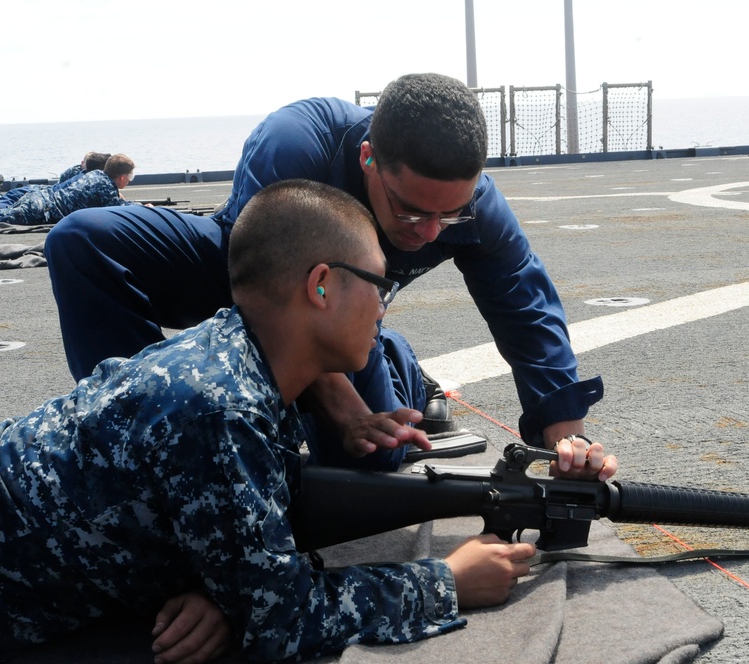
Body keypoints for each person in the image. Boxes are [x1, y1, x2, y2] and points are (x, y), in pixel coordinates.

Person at [0, 179, 537, 662]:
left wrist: (228, 591)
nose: (383, 307)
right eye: (379, 285)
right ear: (322, 287)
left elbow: (242, 541)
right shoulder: (220, 406)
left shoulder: (231, 355)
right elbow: (280, 622)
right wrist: (446, 581)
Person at [45, 72, 616, 480]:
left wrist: (565, 437)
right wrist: (346, 409)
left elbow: (526, 308)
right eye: (412, 212)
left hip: (341, 321)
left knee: (374, 457)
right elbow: (268, 292)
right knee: (81, 240)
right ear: (368, 158)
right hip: (236, 280)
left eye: (453, 213)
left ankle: (393, 360)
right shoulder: (295, 141)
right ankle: (140, 439)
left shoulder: (475, 209)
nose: (431, 232)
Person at [0, 153, 137, 227]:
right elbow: (119, 209)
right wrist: (144, 206)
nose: (128, 181)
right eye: (129, 177)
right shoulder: (105, 186)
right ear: (121, 177)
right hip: (40, 209)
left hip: (39, 198)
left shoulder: (95, 176)